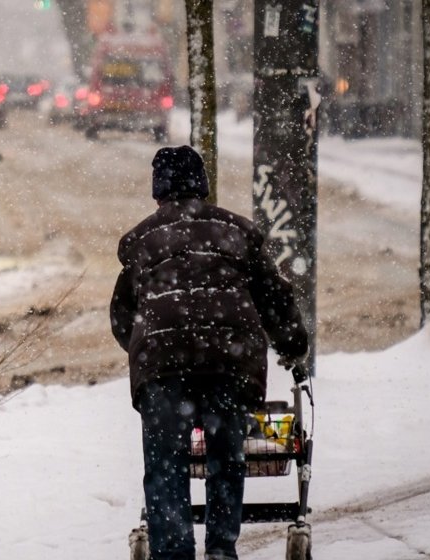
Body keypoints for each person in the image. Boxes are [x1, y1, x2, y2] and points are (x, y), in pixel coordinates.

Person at [110, 145, 308, 560]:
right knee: (226, 458)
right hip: (228, 362)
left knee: (165, 466)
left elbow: (122, 316)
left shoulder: (142, 240)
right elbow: (274, 298)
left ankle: (174, 552)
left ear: (158, 190)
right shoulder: (235, 232)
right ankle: (220, 549)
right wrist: (293, 345)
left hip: (163, 365)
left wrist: (150, 351)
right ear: (202, 185)